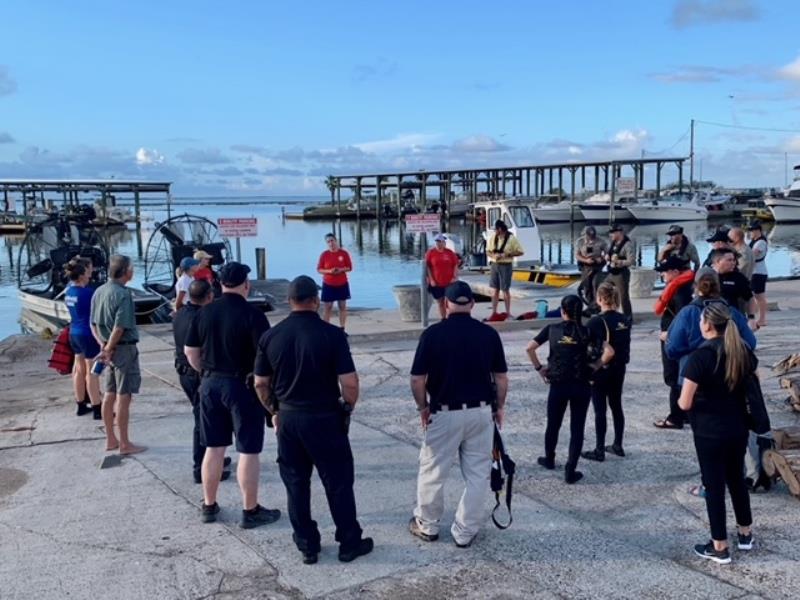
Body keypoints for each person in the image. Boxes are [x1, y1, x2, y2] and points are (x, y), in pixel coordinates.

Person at [254, 275, 372, 565]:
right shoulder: (332, 335)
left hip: (289, 418)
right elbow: (350, 382)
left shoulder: (271, 336)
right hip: (325, 417)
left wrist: (273, 411)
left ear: (289, 301)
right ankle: (348, 542)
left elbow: (260, 383)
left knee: (296, 483)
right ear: (316, 300)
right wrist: (348, 405)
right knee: (338, 482)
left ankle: (307, 545)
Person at [408, 281, 509, 546]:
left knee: (433, 470)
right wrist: (498, 407)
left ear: (446, 304)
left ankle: (427, 524)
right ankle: (464, 531)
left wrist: (423, 407)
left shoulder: (432, 335)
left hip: (444, 411)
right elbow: (501, 377)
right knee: (478, 474)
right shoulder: (488, 334)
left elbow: (417, 379)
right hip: (481, 412)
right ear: (472, 304)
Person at [184, 262, 280, 528]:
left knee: (214, 448)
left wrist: (208, 372)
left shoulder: (203, 313)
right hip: (242, 387)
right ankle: (250, 511)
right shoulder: (254, 315)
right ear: (246, 285)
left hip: (210, 384)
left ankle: (209, 505)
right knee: (248, 450)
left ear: (220, 284)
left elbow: (190, 352)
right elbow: (268, 357)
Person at [677, 301, 756, 565]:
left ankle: (719, 545)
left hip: (709, 431)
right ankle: (745, 533)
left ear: (708, 325)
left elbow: (685, 403)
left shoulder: (701, 357)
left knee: (713, 487)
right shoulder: (742, 351)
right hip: (738, 428)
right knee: (736, 479)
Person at [526, 294, 614, 483]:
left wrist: (540, 368)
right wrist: (596, 365)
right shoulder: (587, 331)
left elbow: (529, 348)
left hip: (558, 384)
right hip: (581, 384)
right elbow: (610, 352)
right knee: (577, 427)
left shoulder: (552, 329)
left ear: (562, 311)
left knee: (553, 424)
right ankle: (570, 470)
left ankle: (549, 458)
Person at [172, 279, 231, 485]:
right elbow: (195, 351)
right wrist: (205, 372)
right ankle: (200, 467)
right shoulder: (201, 318)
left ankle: (214, 457)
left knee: (203, 418)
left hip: (183, 371)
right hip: (196, 372)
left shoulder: (180, 314)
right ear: (209, 297)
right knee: (202, 421)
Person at [90, 254, 146, 455]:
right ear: (126, 272)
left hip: (107, 348)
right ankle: (124, 443)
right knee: (124, 396)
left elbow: (93, 324)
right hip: (123, 349)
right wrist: (109, 347)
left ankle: (110, 439)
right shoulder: (123, 294)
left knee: (109, 394)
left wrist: (103, 346)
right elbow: (120, 326)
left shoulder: (99, 291)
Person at [581, 282, 631, 461]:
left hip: (603, 369)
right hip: (620, 369)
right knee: (616, 405)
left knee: (600, 409)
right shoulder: (624, 319)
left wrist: (595, 365)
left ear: (600, 299)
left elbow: (595, 346)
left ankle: (599, 448)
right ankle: (618, 444)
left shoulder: (596, 321)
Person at [652, 256, 695, 430]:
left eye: (664, 271)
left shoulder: (679, 292)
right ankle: (685, 414)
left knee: (674, 377)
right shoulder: (685, 287)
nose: (662, 274)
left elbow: (682, 319)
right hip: (679, 340)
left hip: (674, 341)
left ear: (676, 272)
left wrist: (668, 335)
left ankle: (675, 417)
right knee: (681, 376)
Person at [64, 256, 102, 419]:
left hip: (74, 333)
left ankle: (80, 404)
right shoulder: (88, 293)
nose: (89, 273)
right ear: (81, 275)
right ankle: (97, 407)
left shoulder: (69, 292)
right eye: (87, 271)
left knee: (78, 369)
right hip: (87, 334)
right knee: (92, 372)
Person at [486, 220, 524, 317]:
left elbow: (520, 252)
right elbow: (488, 251)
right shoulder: (493, 237)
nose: (495, 231)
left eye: (496, 229)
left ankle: (508, 312)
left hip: (506, 266)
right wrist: (494, 256)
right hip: (495, 265)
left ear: (500, 229)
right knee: (495, 290)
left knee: (505, 289)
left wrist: (507, 254)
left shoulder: (511, 239)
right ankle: (494, 312)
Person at [317, 233, 353, 330]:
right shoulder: (324, 255)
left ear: (336, 241)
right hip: (329, 284)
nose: (331, 243)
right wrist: (329, 271)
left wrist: (340, 270)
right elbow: (319, 269)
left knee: (342, 306)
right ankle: (326, 328)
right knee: (328, 306)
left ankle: (342, 328)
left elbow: (349, 267)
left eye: (332, 240)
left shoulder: (344, 253)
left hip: (342, 283)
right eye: (328, 242)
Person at [710, 248, 753, 317]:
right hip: (711, 317)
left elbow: (749, 297)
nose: (733, 263)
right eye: (729, 260)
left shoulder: (738, 277)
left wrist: (751, 317)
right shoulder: (706, 276)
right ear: (718, 261)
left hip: (732, 317)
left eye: (734, 260)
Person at [425, 233, 460, 319]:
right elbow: (427, 267)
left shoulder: (450, 253)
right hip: (437, 282)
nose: (440, 243)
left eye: (442, 241)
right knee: (440, 301)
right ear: (435, 242)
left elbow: (455, 264)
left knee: (449, 301)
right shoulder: (431, 253)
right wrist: (431, 279)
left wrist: (454, 277)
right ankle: (443, 318)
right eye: (438, 241)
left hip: (449, 282)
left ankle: (451, 317)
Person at [604, 224, 635, 317]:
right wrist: (606, 256)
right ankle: (608, 311)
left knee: (623, 297)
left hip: (621, 274)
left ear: (619, 233)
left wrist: (619, 262)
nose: (611, 235)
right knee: (604, 289)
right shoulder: (612, 243)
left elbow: (631, 260)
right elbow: (608, 253)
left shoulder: (627, 244)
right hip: (611, 272)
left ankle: (628, 316)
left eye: (613, 233)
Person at [575, 225, 607, 308]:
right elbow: (577, 255)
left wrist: (602, 258)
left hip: (597, 266)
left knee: (596, 284)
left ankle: (597, 305)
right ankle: (590, 304)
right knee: (587, 286)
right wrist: (585, 260)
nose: (591, 238)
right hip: (586, 266)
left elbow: (608, 254)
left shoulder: (601, 242)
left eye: (593, 236)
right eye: (589, 236)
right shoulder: (580, 242)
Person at [748, 221, 769, 328]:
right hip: (754, 272)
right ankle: (758, 317)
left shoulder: (761, 242)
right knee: (756, 296)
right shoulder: (753, 241)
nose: (751, 232)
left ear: (758, 231)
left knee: (759, 296)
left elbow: (753, 254)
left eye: (753, 230)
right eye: (750, 230)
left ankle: (762, 319)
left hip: (759, 272)